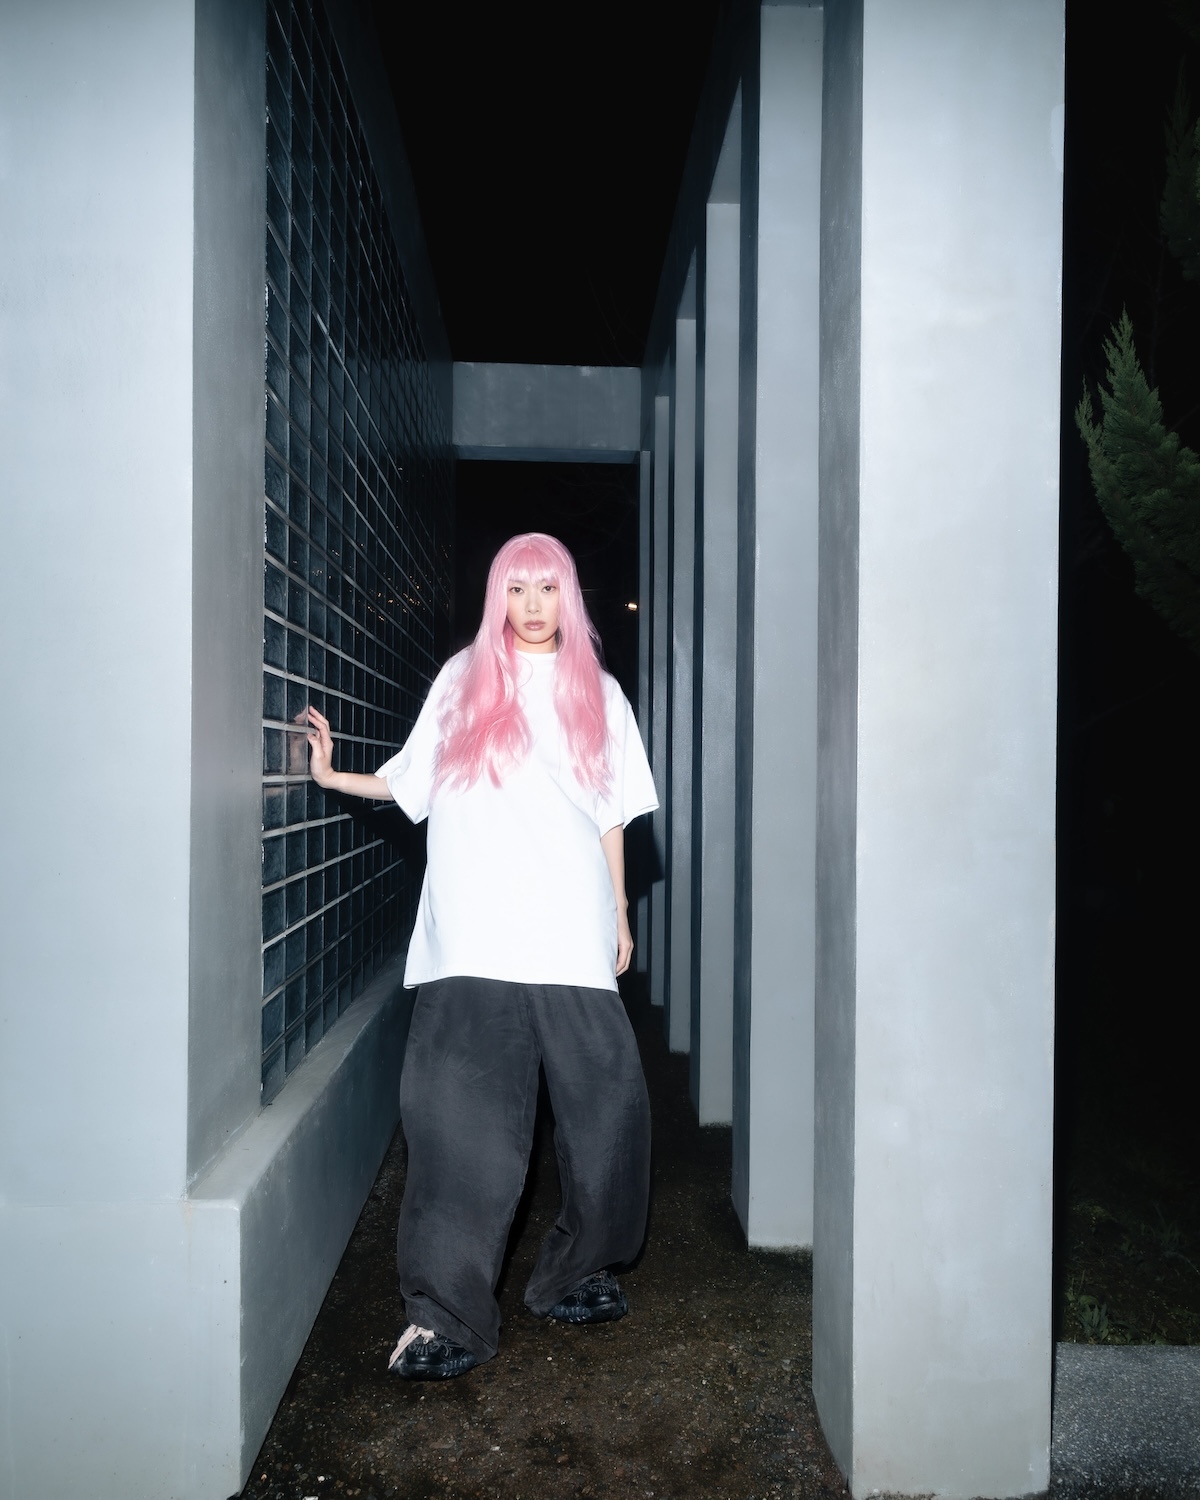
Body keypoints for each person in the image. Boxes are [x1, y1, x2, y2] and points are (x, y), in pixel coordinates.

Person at [305, 532, 658, 1380]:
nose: (533, 606)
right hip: (472, 932)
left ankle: (579, 1271)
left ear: (568, 598)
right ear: (499, 596)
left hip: (568, 931)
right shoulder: (463, 679)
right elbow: (412, 781)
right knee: (458, 1129)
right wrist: (333, 776)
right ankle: (444, 1316)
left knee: (610, 1112)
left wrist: (618, 910)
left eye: (548, 589)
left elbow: (610, 812)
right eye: (518, 589)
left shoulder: (599, 692)